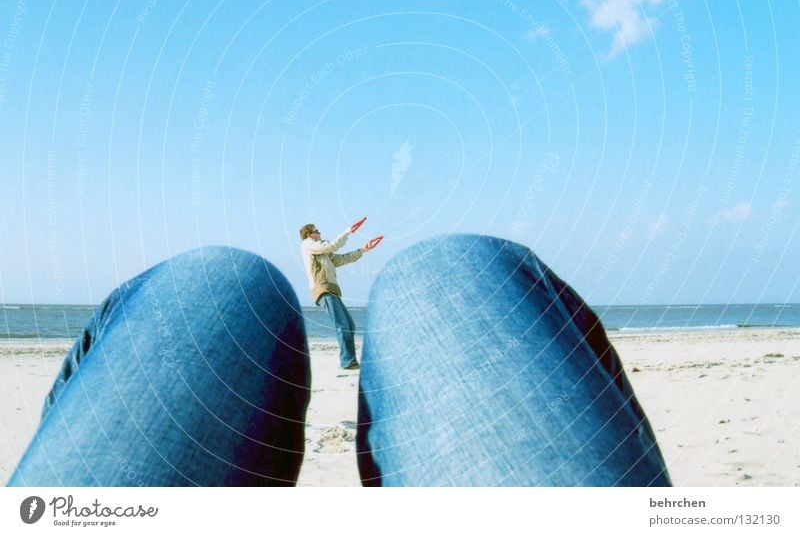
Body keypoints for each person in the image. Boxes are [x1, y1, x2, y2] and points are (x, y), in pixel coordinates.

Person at [8, 234, 671, 487]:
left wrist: (357, 248)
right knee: (449, 270)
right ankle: (353, 361)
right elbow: (334, 251)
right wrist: (352, 242)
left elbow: (343, 255)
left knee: (223, 283)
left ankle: (352, 358)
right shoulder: (312, 251)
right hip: (327, 291)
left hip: (329, 285)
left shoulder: (318, 255)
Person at [298, 219, 378, 369]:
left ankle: (349, 360)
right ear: (310, 234)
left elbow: (342, 259)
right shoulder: (308, 244)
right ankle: (348, 362)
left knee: (349, 324)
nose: (319, 233)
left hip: (331, 289)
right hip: (323, 289)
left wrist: (363, 250)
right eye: (317, 231)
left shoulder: (322, 252)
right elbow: (331, 245)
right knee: (342, 325)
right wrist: (348, 231)